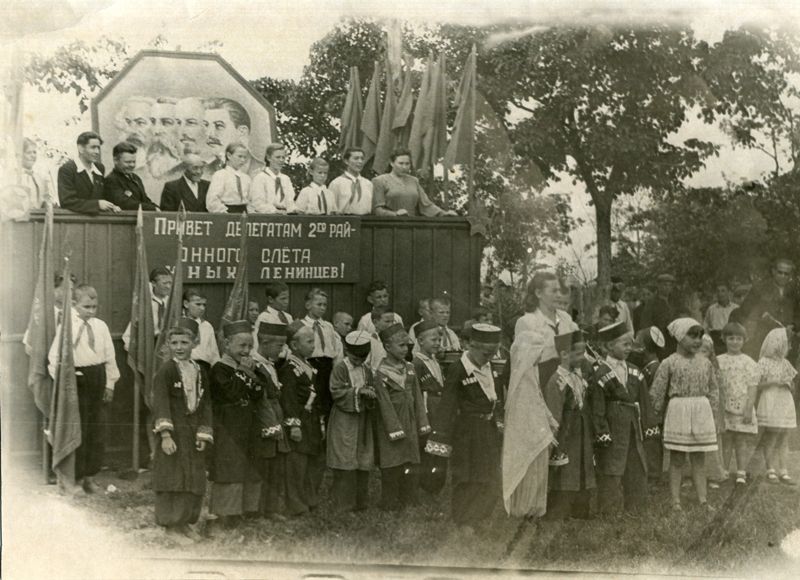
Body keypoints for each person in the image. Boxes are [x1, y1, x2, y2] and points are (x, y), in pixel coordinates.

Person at [425, 324, 504, 528]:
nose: (489, 357)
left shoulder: (489, 367)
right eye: (486, 353)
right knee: (466, 473)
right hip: (466, 431)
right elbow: (448, 404)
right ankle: (463, 518)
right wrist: (440, 437)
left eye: (493, 353)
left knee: (488, 472)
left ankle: (481, 515)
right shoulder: (458, 369)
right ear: (472, 346)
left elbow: (496, 398)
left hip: (488, 429)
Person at [47, 284, 120, 495]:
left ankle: (89, 477)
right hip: (76, 381)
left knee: (96, 431)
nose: (91, 311)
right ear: (73, 304)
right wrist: (65, 383)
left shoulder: (101, 326)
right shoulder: (66, 327)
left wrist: (110, 384)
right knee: (78, 430)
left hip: (97, 378)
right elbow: (54, 359)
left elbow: (110, 357)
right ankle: (74, 479)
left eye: (94, 307)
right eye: (86, 306)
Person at [151, 320, 213, 543]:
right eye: (174, 342)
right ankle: (171, 526)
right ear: (168, 344)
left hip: (193, 432)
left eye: (184, 342)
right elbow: (161, 403)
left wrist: (203, 433)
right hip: (174, 433)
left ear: (194, 343)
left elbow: (206, 403)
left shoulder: (199, 370)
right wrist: (166, 435)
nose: (179, 347)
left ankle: (186, 521)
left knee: (193, 476)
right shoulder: (166, 371)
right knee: (173, 476)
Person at [588, 321, 659, 515]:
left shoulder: (635, 371)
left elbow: (644, 401)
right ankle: (608, 509)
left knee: (636, 463)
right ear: (610, 346)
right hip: (612, 427)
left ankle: (636, 507)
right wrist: (601, 431)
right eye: (625, 344)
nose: (630, 349)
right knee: (611, 466)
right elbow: (597, 406)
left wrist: (648, 425)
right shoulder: (599, 372)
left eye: (630, 344)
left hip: (632, 427)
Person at [650, 318, 720, 511]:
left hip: (701, 410)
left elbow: (713, 389)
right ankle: (675, 501)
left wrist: (714, 414)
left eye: (700, 336)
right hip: (678, 409)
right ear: (680, 337)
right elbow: (657, 391)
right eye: (692, 335)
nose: (697, 340)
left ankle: (703, 499)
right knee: (677, 458)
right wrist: (654, 416)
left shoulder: (705, 363)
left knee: (699, 457)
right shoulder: (669, 362)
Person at [207, 320, 263, 531]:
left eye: (250, 346)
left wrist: (250, 375)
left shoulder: (249, 367)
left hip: (247, 424)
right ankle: (224, 514)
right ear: (227, 344)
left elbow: (258, 392)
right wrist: (244, 373)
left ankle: (244, 510)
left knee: (248, 466)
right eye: (242, 346)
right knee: (229, 468)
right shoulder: (219, 369)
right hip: (228, 427)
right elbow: (231, 392)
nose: (247, 351)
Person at [374, 323, 430, 511]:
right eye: (401, 346)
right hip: (392, 422)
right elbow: (384, 403)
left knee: (411, 458)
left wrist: (422, 422)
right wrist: (393, 428)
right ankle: (389, 501)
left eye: (407, 346)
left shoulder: (410, 368)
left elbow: (418, 397)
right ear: (387, 347)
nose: (405, 349)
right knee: (392, 459)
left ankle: (410, 498)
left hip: (410, 420)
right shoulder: (381, 373)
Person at [543, 330, 595, 520]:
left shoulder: (579, 376)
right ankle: (559, 512)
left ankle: (581, 510)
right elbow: (553, 415)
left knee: (582, 468)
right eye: (578, 354)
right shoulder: (557, 381)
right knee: (565, 471)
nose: (583, 358)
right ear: (564, 354)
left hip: (581, 432)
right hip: (566, 434)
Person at [327, 330, 377, 512]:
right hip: (345, 418)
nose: (359, 362)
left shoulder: (367, 369)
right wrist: (358, 392)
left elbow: (371, 386)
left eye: (362, 359)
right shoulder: (341, 368)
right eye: (355, 358)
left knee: (362, 456)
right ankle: (343, 504)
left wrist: (370, 393)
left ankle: (360, 502)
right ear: (347, 352)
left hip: (362, 417)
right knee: (345, 456)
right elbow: (336, 391)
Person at [278, 321, 326, 516]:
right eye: (308, 341)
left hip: (312, 421)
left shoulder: (309, 366)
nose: (312, 345)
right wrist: (294, 425)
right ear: (294, 345)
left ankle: (310, 498)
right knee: (297, 464)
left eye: (313, 341)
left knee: (315, 461)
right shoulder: (289, 369)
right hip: (299, 421)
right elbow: (288, 399)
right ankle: (296, 504)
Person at [250, 322, 291, 519]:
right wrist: (270, 423)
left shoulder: (270, 364)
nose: (282, 350)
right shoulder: (255, 366)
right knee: (263, 465)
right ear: (264, 342)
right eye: (279, 346)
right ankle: (257, 509)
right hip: (264, 419)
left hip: (277, 415)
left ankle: (271, 507)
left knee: (276, 464)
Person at [514, 272, 578, 389]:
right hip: (541, 384)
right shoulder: (527, 322)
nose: (559, 295)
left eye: (559, 290)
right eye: (554, 291)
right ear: (538, 293)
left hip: (567, 382)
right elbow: (524, 365)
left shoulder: (566, 318)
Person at [716, 322, 759, 486]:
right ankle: (724, 470)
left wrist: (749, 409)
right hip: (725, 407)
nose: (735, 342)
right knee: (726, 440)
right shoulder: (719, 361)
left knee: (741, 441)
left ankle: (741, 471)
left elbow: (752, 387)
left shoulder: (749, 362)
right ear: (724, 339)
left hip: (742, 406)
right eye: (731, 338)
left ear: (744, 340)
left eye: (738, 339)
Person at [756, 327, 797, 486]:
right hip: (771, 399)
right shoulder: (763, 362)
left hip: (784, 400)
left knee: (784, 435)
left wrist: (789, 384)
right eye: (788, 344)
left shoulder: (786, 363)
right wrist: (773, 382)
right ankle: (770, 468)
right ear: (778, 344)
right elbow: (756, 384)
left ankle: (784, 469)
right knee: (772, 435)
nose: (790, 347)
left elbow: (792, 384)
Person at [412, 320, 447, 495]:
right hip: (427, 410)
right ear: (420, 341)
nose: (437, 343)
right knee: (427, 446)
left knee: (439, 444)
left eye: (439, 340)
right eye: (433, 340)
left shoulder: (434, 361)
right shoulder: (416, 363)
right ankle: (426, 483)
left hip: (438, 409)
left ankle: (436, 483)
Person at [738, 259, 797, 358]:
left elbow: (798, 313)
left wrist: (794, 325)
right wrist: (759, 315)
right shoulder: (760, 288)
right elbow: (745, 309)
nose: (782, 276)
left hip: (786, 338)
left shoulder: (794, 291)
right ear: (774, 271)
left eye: (786, 274)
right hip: (763, 337)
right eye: (780, 272)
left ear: (790, 276)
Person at [372, 149, 457, 217]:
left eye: (407, 164)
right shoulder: (379, 181)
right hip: (386, 226)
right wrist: (395, 214)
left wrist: (443, 213)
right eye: (400, 163)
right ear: (392, 163)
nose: (404, 167)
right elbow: (377, 210)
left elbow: (426, 205)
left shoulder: (414, 181)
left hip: (411, 225)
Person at [630, 326, 665, 480]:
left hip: (652, 414)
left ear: (643, 347)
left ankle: (654, 474)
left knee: (652, 443)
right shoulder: (648, 367)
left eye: (636, 341)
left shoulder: (654, 369)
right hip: (649, 413)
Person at [300, 288, 342, 416]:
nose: (322, 308)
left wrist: (336, 370)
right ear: (308, 305)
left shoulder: (328, 326)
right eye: (319, 304)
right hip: (311, 364)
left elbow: (335, 350)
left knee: (327, 400)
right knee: (312, 398)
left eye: (325, 305)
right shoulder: (301, 325)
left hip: (327, 367)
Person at [57, 132, 120, 215]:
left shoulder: (99, 168)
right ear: (81, 149)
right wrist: (97, 205)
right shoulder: (67, 169)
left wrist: (111, 206)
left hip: (97, 221)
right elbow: (67, 201)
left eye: (98, 148)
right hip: (75, 221)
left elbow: (101, 196)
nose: (97, 152)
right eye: (93, 147)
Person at [203, 97, 264, 177]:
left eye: (219, 126)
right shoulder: (203, 172)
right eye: (206, 125)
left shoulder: (263, 172)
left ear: (242, 132)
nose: (209, 133)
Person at [2, 138, 55, 220]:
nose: (33, 155)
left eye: (34, 152)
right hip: (17, 222)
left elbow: (47, 199)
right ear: (19, 155)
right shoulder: (11, 176)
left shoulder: (40, 178)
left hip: (38, 220)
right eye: (29, 152)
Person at [103, 142, 159, 211]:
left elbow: (145, 200)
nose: (132, 165)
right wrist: (153, 208)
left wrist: (158, 208)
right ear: (115, 160)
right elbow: (125, 204)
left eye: (134, 162)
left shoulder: (136, 178)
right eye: (128, 162)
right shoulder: (111, 180)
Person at [205, 143, 253, 214]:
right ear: (229, 155)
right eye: (239, 156)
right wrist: (225, 213)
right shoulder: (220, 175)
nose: (243, 160)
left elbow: (250, 200)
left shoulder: (246, 178)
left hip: (244, 213)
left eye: (245, 157)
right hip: (227, 213)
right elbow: (212, 200)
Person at [249, 143, 296, 214]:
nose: (281, 160)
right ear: (268, 158)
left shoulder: (286, 179)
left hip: (285, 216)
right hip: (268, 216)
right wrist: (275, 211)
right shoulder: (260, 178)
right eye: (278, 157)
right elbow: (258, 203)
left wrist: (292, 210)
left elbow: (290, 201)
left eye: (283, 157)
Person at [639, 274, 679, 356]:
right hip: (658, 340)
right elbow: (645, 323)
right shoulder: (651, 302)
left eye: (669, 285)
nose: (667, 288)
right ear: (658, 286)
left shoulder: (674, 301)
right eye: (664, 285)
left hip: (674, 340)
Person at [182, 288, 220, 371]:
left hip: (204, 368)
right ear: (186, 304)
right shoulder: (179, 324)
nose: (202, 308)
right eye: (198, 304)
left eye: (204, 305)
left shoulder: (207, 326)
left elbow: (214, 353)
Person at [329, 147, 373, 215]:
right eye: (356, 158)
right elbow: (330, 209)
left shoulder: (368, 184)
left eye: (362, 159)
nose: (360, 162)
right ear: (346, 161)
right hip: (344, 222)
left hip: (366, 222)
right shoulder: (336, 183)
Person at [253, 282, 293, 349]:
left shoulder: (288, 317)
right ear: (270, 299)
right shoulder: (264, 318)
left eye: (287, 298)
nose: (286, 301)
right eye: (283, 299)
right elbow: (260, 343)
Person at [704, 283, 739, 354]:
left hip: (731, 339)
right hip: (716, 341)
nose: (720, 294)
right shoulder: (711, 309)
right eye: (718, 291)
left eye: (723, 291)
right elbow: (705, 326)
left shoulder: (736, 308)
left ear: (728, 292)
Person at [366, 306, 395, 372]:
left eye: (392, 321)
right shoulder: (369, 341)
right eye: (387, 321)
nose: (391, 325)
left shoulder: (396, 340)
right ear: (375, 322)